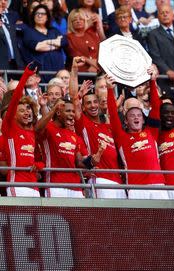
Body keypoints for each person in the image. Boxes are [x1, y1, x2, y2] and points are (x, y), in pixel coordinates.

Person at [107, 67, 169, 199]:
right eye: (132, 115)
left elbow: (156, 107)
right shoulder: (122, 137)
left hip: (158, 185)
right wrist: (109, 89)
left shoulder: (151, 132)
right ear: (126, 121)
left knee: (164, 219)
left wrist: (152, 81)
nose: (136, 117)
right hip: (136, 188)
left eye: (139, 115)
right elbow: (112, 115)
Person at [70, 57, 125, 199]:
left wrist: (110, 90)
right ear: (83, 107)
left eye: (95, 102)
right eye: (88, 103)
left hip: (118, 181)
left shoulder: (108, 126)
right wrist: (75, 70)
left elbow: (112, 113)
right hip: (99, 178)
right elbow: (74, 101)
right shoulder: (84, 125)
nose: (93, 105)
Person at [0, 65, 44, 197]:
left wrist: (39, 165)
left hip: (34, 186)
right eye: (22, 110)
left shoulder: (32, 133)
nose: (27, 112)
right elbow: (16, 97)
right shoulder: (9, 128)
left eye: (28, 109)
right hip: (17, 184)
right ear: (14, 114)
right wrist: (26, 75)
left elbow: (41, 160)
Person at [23, 4, 67, 73]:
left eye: (43, 14)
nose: (39, 15)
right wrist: (56, 44)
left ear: (47, 17)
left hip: (58, 69)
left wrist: (46, 43)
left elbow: (63, 42)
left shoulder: (54, 30)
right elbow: (37, 47)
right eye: (37, 13)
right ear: (33, 16)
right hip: (41, 71)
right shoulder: (29, 31)